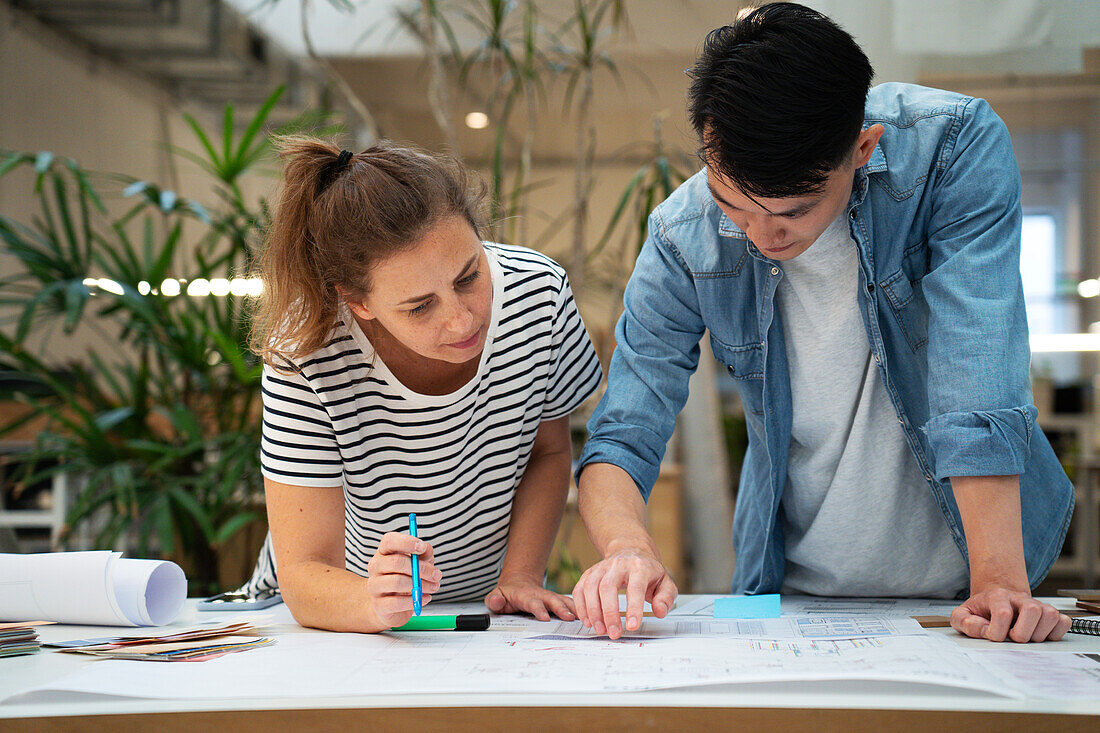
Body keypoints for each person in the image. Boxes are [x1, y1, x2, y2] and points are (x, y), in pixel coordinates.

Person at [571, 3, 1074, 644]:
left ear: (862, 148)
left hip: (978, 573)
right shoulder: (682, 235)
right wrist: (627, 546)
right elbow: (624, 435)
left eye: (792, 211)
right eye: (732, 203)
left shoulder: (951, 148)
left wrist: (998, 582)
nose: (759, 234)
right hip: (795, 586)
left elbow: (977, 364)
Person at [238, 136, 602, 633]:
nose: (462, 320)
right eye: (419, 306)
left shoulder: (539, 296)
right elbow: (303, 575)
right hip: (335, 613)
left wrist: (519, 575)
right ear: (357, 302)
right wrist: (372, 601)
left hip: (479, 609)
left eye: (470, 276)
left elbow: (549, 452)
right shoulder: (305, 352)